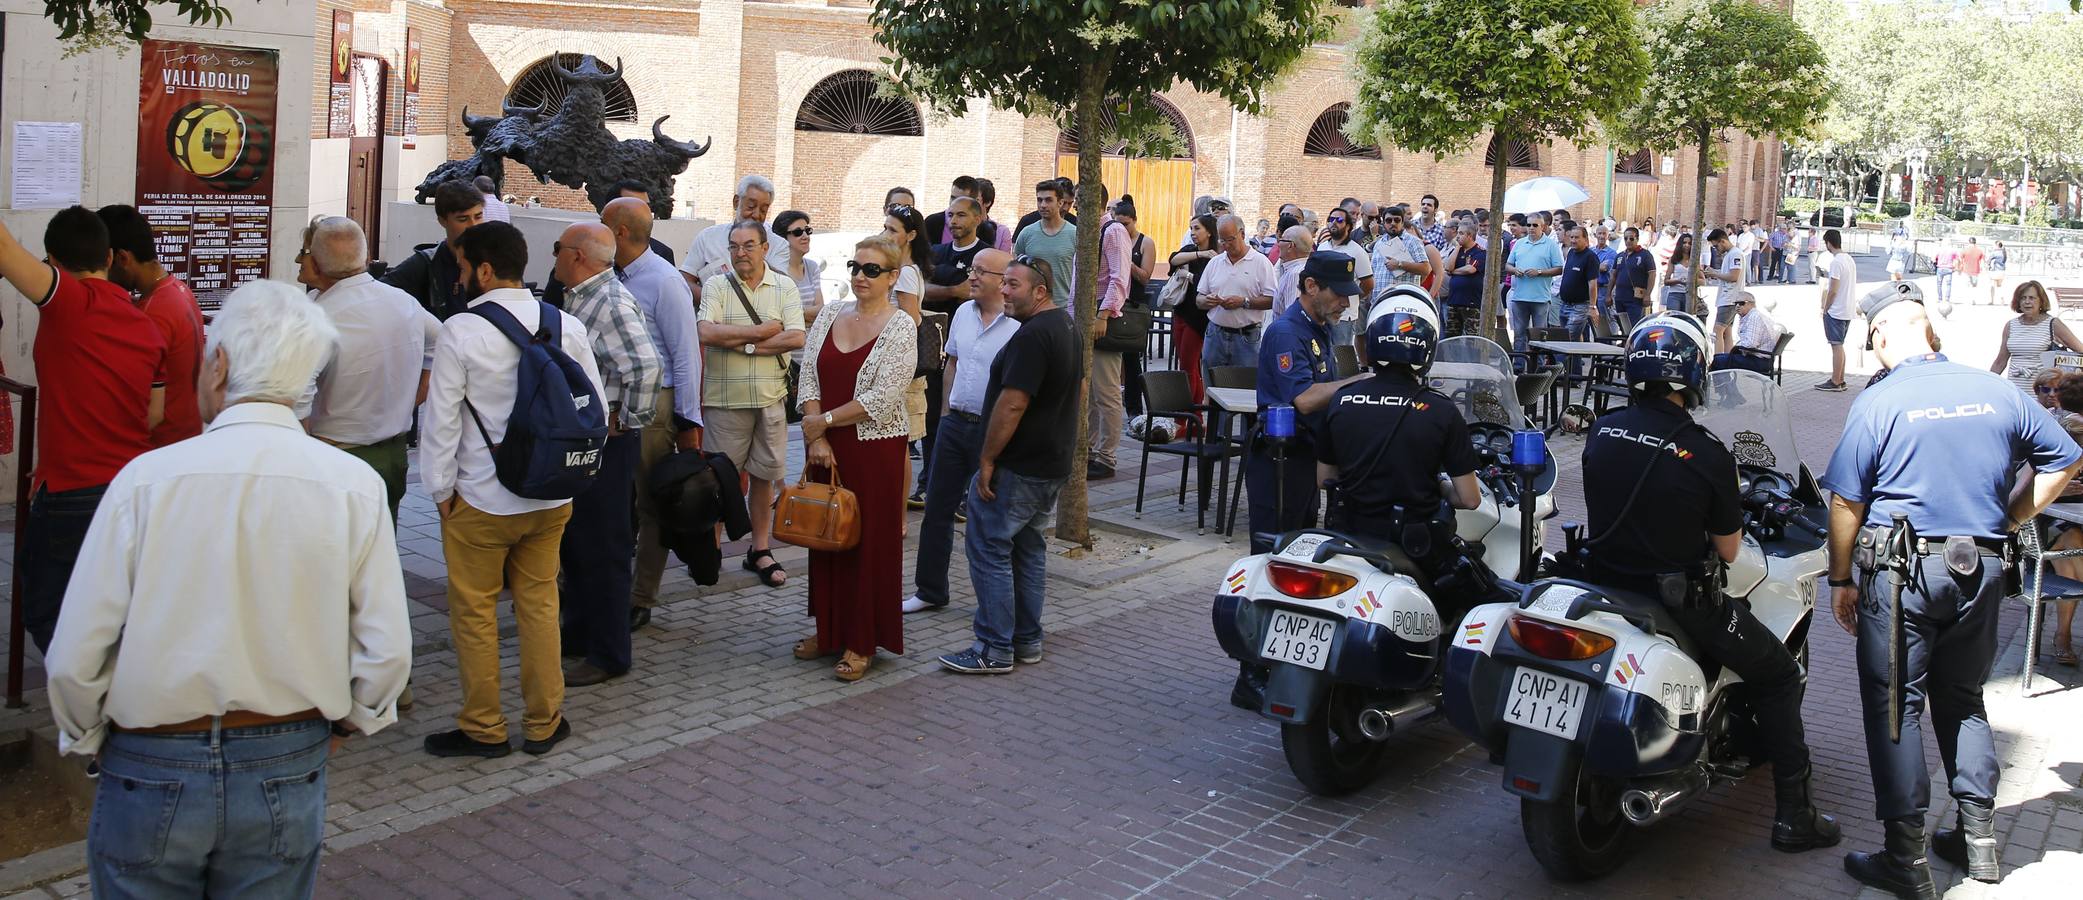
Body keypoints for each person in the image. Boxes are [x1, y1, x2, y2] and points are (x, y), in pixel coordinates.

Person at [44, 280, 412, 898]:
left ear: (218, 365)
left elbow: (78, 652)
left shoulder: (145, 480)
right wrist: (351, 720)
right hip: (287, 754)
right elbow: (387, 651)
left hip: (151, 757)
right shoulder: (352, 485)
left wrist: (86, 736)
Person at [1823, 284, 2083, 897]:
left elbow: (1845, 500)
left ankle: (1905, 860)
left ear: (1884, 334)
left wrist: (1839, 579)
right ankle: (1980, 845)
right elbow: (2063, 459)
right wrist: (2012, 519)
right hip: (1982, 570)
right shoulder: (1995, 392)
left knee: (1897, 708)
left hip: (1902, 575)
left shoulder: (1881, 401)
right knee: (1964, 700)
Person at [1578, 312, 1842, 855]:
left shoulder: (1603, 430)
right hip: (1680, 601)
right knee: (1778, 676)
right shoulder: (1705, 451)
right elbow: (1728, 549)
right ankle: (1796, 815)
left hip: (1604, 582)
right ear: (1695, 372)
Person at [419, 221, 605, 759]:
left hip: (481, 497)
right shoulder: (565, 324)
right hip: (551, 494)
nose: (459, 278)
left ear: (482, 269)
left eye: (461, 267)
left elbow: (442, 421)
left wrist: (440, 492)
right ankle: (545, 721)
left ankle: (484, 727)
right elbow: (593, 404)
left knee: (475, 613)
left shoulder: (461, 330)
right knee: (540, 604)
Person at [0, 207, 167, 655]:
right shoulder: (146, 325)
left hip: (73, 492)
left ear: (53, 262)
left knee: (45, 611)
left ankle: (91, 705)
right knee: (113, 611)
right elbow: (154, 413)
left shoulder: (69, 303)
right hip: (129, 488)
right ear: (110, 257)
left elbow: (3, 249)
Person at [937, 254, 1083, 675]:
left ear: (1040, 292)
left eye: (1013, 285)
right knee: (1028, 549)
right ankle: (1026, 640)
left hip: (1021, 466)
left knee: (989, 547)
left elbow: (1013, 402)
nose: (1004, 290)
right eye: (1005, 283)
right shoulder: (1066, 326)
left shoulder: (1034, 335)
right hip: (1050, 462)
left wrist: (986, 457)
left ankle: (993, 646)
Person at [796, 236, 918, 682]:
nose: (860, 276)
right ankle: (828, 631)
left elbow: (884, 397)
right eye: (855, 266)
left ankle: (862, 640)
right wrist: (816, 435)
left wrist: (823, 422)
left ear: (891, 278)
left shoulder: (901, 326)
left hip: (874, 448)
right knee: (827, 534)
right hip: (826, 444)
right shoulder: (830, 313)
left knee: (867, 543)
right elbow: (808, 373)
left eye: (871, 270)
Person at [1317, 292, 1486, 596]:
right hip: (1414, 547)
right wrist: (1442, 486)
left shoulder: (1342, 400)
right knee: (1474, 593)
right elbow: (1470, 499)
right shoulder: (1442, 411)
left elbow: (1324, 479)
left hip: (1348, 537)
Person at [551, 221, 659, 686]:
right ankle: (578, 638)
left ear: (576, 256)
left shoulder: (608, 301)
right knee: (578, 544)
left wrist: (624, 421)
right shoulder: (583, 295)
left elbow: (645, 366)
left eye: (557, 249)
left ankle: (610, 654)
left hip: (608, 445)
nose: (552, 256)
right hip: (591, 440)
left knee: (604, 547)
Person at [604, 197, 706, 629]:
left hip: (656, 404)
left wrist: (687, 422)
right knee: (612, 499)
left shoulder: (663, 281)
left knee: (650, 502)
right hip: (615, 402)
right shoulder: (610, 274)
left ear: (621, 233)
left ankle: (641, 596)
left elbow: (686, 354)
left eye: (603, 223)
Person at [298, 216, 441, 521]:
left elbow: (297, 393)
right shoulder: (402, 302)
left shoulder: (320, 317)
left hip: (338, 454)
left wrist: (305, 449)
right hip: (392, 455)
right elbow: (442, 341)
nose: (298, 258)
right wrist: (417, 393)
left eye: (305, 252)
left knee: (333, 558)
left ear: (319, 262)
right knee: (380, 554)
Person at [905, 248, 1019, 615]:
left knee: (992, 519)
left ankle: (998, 604)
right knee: (936, 508)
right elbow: (951, 362)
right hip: (956, 424)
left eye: (981, 272)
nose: (971, 276)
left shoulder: (1019, 326)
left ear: (1003, 282)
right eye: (972, 269)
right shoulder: (963, 316)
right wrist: (945, 415)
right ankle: (930, 589)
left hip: (994, 431)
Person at [698, 220, 806, 589]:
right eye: (734, 246)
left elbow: (795, 336)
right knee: (718, 481)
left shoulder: (784, 285)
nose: (740, 253)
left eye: (748, 245)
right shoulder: (715, 285)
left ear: (764, 248)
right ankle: (711, 549)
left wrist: (741, 346)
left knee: (763, 478)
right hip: (724, 401)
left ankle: (759, 549)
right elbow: (706, 332)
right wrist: (758, 334)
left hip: (770, 401)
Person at [1243, 252, 1365, 554]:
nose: (1345, 304)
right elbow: (1306, 399)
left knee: (1301, 545)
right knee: (1274, 551)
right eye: (1339, 294)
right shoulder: (1287, 333)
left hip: (1306, 456)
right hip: (1280, 461)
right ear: (1311, 286)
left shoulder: (1317, 327)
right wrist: (1359, 383)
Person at [97, 205, 203, 447]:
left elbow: (138, 406)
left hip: (159, 447)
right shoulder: (178, 290)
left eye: (103, 267)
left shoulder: (152, 312)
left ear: (122, 258)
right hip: (185, 437)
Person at [540, 181, 677, 308]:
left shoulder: (663, 257)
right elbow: (552, 307)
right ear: (608, 211)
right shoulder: (580, 251)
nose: (642, 212)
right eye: (633, 206)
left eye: (647, 207)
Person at [1081, 185, 1134, 480]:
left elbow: (1119, 278)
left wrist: (1103, 314)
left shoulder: (1112, 231)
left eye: (1078, 199)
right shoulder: (1085, 230)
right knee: (1087, 391)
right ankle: (1088, 450)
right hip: (1082, 318)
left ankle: (1107, 456)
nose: (1073, 205)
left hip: (1103, 320)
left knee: (1106, 392)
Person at [382, 179, 483, 319]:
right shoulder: (424, 263)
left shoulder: (498, 260)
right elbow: (378, 295)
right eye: (463, 219)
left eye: (478, 217)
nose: (473, 225)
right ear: (442, 221)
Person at [680, 174, 791, 299]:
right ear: (736, 202)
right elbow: (684, 280)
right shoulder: (708, 237)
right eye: (751, 207)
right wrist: (713, 300)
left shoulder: (779, 245)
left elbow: (782, 288)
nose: (756, 215)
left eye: (763, 210)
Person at [1197, 215, 1277, 385]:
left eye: (1230, 239)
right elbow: (1199, 298)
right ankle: (1214, 413)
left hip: (1247, 337)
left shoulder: (1261, 263)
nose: (1226, 245)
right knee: (1213, 387)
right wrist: (1207, 301)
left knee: (1245, 389)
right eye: (1222, 240)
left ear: (1242, 234)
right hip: (1215, 334)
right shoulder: (1215, 263)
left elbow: (1272, 300)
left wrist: (1244, 302)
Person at [1990, 280, 2083, 395]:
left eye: (2032, 298)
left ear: (2041, 301)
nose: (2027, 302)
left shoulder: (2053, 324)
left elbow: (2080, 350)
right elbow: (2000, 361)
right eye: (2023, 298)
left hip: (2042, 392)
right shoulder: (2011, 325)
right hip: (2015, 389)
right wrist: (1987, 382)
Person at [1170, 214, 1221, 404]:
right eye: (1191, 228)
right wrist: (1200, 254)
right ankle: (1196, 415)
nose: (1193, 232)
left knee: (1187, 365)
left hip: (1198, 319)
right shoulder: (1192, 251)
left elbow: (1203, 283)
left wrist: (1189, 275)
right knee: (1187, 366)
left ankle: (1186, 415)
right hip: (1181, 312)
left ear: (1209, 231)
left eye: (1197, 228)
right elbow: (1174, 259)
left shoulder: (1217, 258)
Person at [1116, 197, 1157, 419]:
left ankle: (1135, 411)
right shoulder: (1112, 239)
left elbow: (1144, 277)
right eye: (1118, 224)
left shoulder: (1145, 243)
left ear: (1135, 221)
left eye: (1126, 225)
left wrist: (1126, 260)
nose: (1121, 229)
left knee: (1132, 361)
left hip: (1134, 306)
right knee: (1111, 359)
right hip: (1115, 304)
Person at [1011, 179, 1079, 313]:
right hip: (1032, 307)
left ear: (1060, 202)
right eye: (1039, 200)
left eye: (1048, 200)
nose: (1042, 205)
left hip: (1063, 307)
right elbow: (1015, 267)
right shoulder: (1027, 233)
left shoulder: (1074, 234)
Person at [1504, 212, 1564, 351]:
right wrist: (1515, 270)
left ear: (1542, 226)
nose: (1531, 228)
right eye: (1528, 224)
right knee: (1519, 334)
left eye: (1535, 225)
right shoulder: (1519, 243)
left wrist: (1540, 272)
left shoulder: (1551, 245)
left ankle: (1538, 367)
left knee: (1539, 336)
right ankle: (1519, 366)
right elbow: (1508, 265)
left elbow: (1559, 269)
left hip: (1540, 298)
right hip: (1519, 296)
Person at [1315, 207, 1373, 349]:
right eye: (1331, 219)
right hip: (1321, 311)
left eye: (1339, 220)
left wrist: (1353, 299)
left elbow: (1368, 283)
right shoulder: (1322, 247)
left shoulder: (1357, 251)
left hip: (1344, 315)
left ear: (1348, 226)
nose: (1334, 223)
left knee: (1341, 355)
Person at [1817, 229, 1857, 392]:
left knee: (1836, 345)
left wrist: (1825, 308)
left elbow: (1832, 289)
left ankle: (1835, 380)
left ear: (1828, 243)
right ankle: (1840, 378)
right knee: (1840, 345)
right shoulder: (1849, 259)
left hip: (1836, 310)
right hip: (1847, 308)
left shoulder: (1836, 262)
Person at [1711, 292, 1783, 374]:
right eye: (1735, 303)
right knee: (1719, 358)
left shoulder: (1754, 317)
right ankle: (1728, 386)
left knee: (1718, 361)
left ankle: (1724, 386)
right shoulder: (1753, 315)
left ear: (1751, 304)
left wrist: (1736, 348)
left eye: (1741, 303)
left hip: (1759, 361)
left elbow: (1751, 344)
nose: (1737, 306)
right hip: (1763, 359)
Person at [774, 209, 824, 323]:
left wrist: (792, 313)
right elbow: (776, 315)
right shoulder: (775, 271)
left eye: (807, 230)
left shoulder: (812, 267)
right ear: (782, 238)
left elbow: (821, 310)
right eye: (798, 232)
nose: (805, 236)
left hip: (812, 336)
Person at [1704, 228, 1748, 354]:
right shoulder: (1731, 254)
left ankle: (1718, 359)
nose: (1716, 249)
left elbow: (1734, 276)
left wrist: (1715, 273)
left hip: (1729, 298)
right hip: (1728, 298)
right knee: (1727, 331)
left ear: (1722, 241)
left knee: (1717, 330)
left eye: (1716, 246)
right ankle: (1728, 359)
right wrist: (1715, 273)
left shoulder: (1735, 254)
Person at [1558, 225, 1605, 343]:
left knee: (1568, 339)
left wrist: (1592, 307)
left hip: (1580, 306)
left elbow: (1593, 284)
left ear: (1585, 239)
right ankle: (1576, 362)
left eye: (1577, 237)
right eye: (1572, 237)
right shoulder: (1571, 253)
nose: (1573, 240)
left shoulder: (1590, 257)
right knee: (1573, 342)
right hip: (1565, 304)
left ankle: (1562, 362)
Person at [1441, 223, 1486, 337]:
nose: (1457, 237)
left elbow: (1470, 269)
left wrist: (1453, 272)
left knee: (1471, 337)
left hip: (1471, 303)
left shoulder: (1480, 252)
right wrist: (1457, 248)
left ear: (1470, 236)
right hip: (1454, 300)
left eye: (1461, 233)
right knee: (1451, 336)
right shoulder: (1457, 251)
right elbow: (1447, 267)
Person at [1611, 227, 1657, 331]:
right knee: (1622, 327)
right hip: (1620, 297)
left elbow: (1652, 275)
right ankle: (1624, 345)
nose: (1628, 241)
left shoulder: (1645, 255)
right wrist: (1609, 294)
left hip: (1635, 299)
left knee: (1634, 326)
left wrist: (1648, 295)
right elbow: (1613, 276)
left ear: (1637, 239)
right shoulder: (1620, 256)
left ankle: (1632, 346)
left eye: (1631, 239)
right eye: (1626, 238)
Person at [1932, 240, 1958, 307]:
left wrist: (1935, 264)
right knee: (1948, 284)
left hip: (1940, 268)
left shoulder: (1939, 250)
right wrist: (1955, 267)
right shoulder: (1953, 251)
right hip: (1949, 269)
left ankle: (1940, 298)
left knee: (1939, 284)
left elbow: (1933, 259)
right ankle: (1947, 299)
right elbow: (1957, 259)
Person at [1985, 241, 2007, 305]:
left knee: (1992, 286)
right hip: (2002, 271)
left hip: (1995, 271)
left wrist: (1988, 265)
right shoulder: (2004, 253)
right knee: (1999, 286)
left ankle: (1992, 300)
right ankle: (2002, 300)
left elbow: (1988, 261)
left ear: (1996, 245)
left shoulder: (1994, 253)